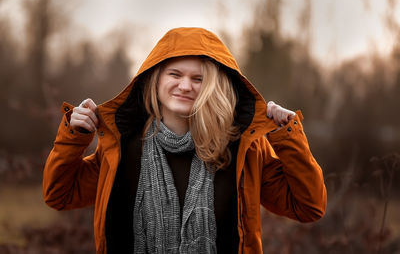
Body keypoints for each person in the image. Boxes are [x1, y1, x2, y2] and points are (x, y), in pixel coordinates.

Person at [43, 27, 327, 254]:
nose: (185, 86)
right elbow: (59, 195)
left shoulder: (244, 148)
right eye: (175, 74)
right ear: (155, 80)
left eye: (198, 78)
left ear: (214, 86)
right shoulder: (122, 146)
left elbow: (308, 206)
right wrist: (74, 136)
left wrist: (287, 135)